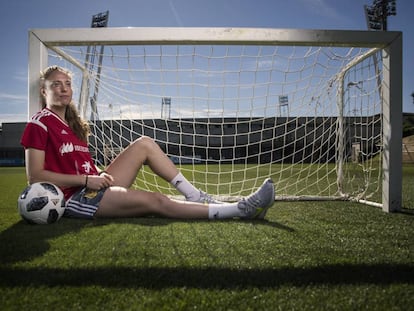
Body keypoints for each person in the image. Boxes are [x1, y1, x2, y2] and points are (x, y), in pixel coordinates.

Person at [20, 66, 275, 220]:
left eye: (67, 84)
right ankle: (240, 210)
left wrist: (96, 173)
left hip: (94, 184)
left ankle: (196, 196)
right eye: (56, 85)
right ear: (44, 91)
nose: (64, 89)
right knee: (156, 201)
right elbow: (35, 176)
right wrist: (88, 180)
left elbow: (79, 166)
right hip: (74, 197)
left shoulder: (74, 126)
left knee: (144, 143)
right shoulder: (39, 123)